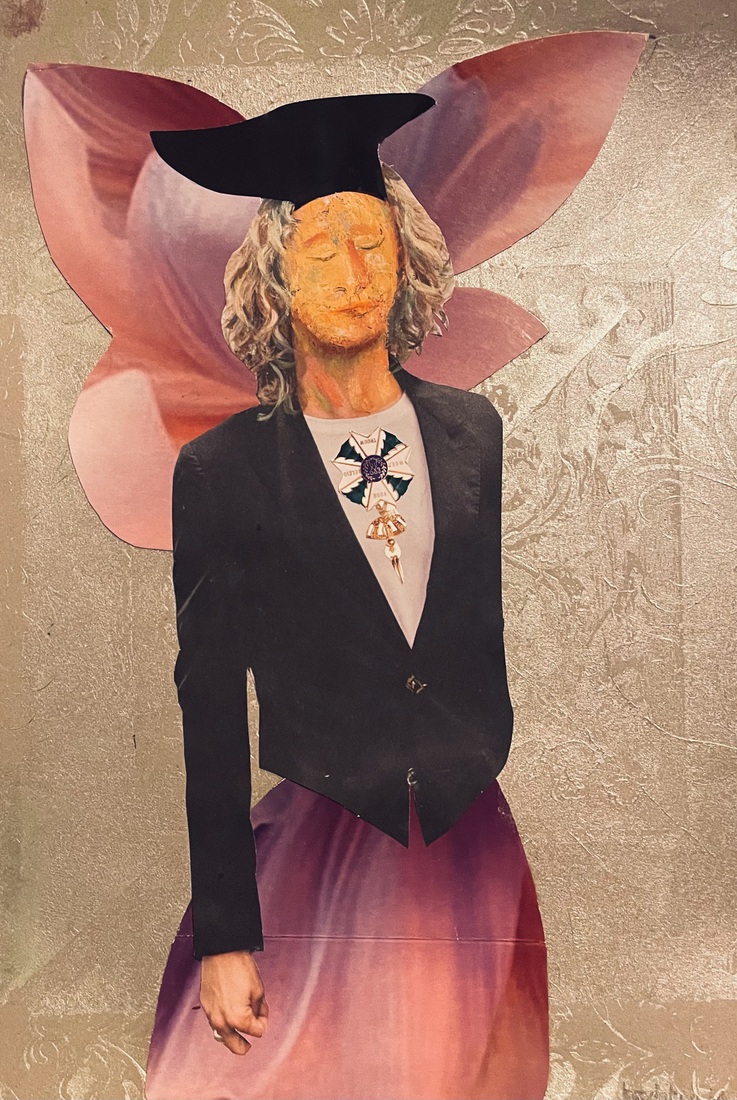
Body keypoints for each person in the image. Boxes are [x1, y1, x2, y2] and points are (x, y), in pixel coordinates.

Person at [144, 93, 549, 1100]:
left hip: (467, 843)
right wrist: (225, 933)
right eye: (320, 248)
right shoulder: (223, 470)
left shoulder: (470, 433)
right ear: (274, 282)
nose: (352, 273)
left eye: (372, 244)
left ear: (406, 264)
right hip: (323, 842)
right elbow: (208, 708)